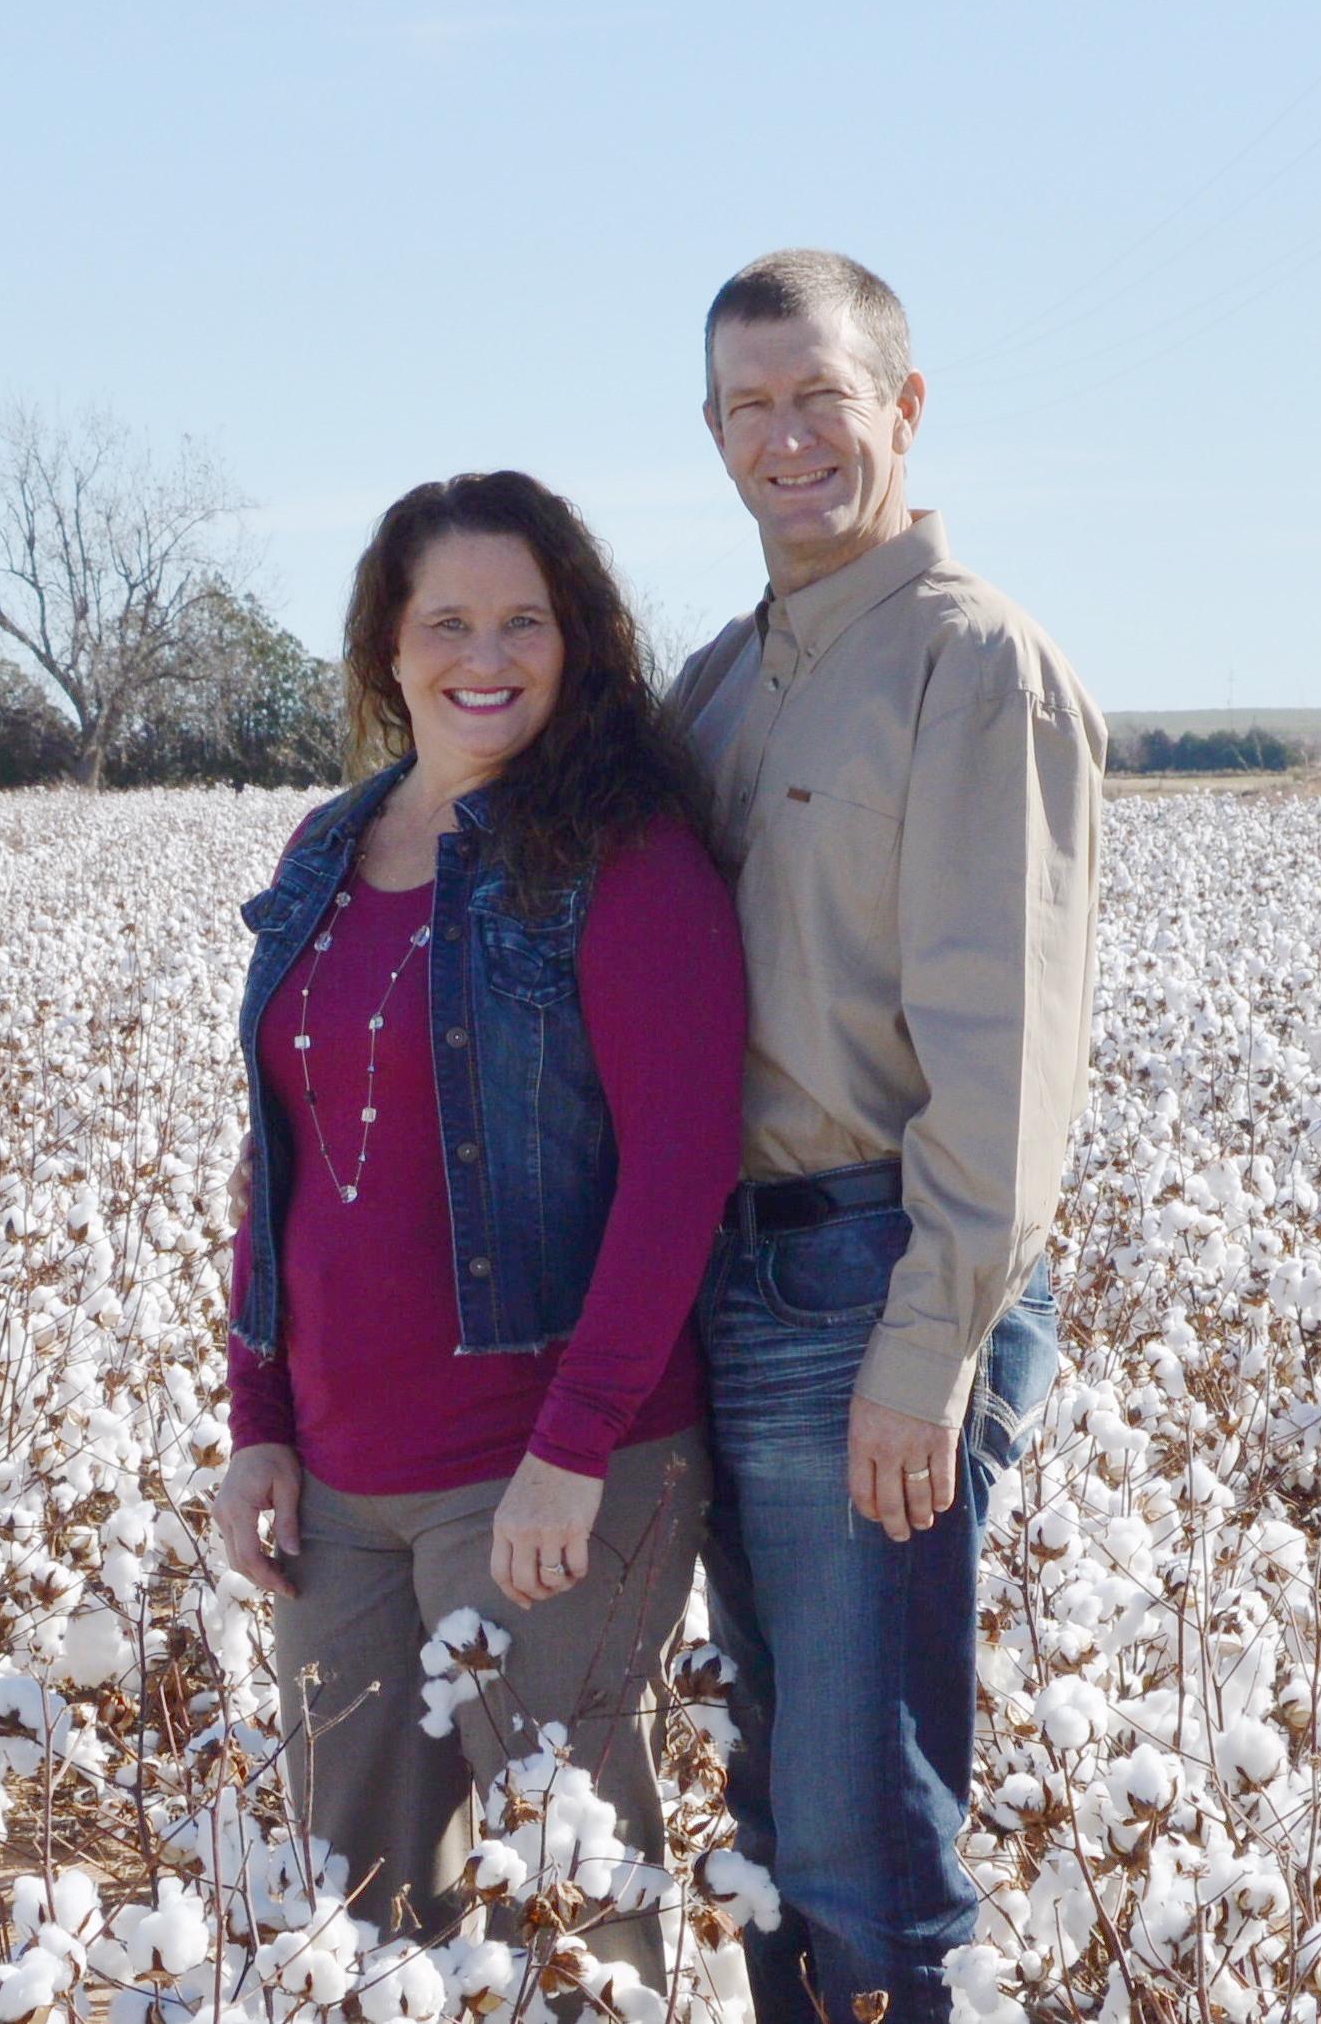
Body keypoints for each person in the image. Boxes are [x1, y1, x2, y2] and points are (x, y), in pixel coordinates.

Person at [213, 470, 745, 1980]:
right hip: (337, 1475)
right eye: (445, 620)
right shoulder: (326, 843)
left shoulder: (619, 856)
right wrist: (258, 1416)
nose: (484, 653)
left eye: (524, 619)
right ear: (387, 646)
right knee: (355, 1914)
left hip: (540, 1471)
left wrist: (572, 1445)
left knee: (571, 1907)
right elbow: (279, 1156)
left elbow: (677, 1169)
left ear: (574, 641)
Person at [666, 251, 1104, 2023]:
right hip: (732, 1281)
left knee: (862, 1838)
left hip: (872, 1287)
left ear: (902, 409)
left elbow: (1006, 1054)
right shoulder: (723, 674)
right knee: (773, 1824)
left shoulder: (967, 660)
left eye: (819, 397)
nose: (786, 440)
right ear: (710, 433)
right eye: (748, 407)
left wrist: (922, 1353)